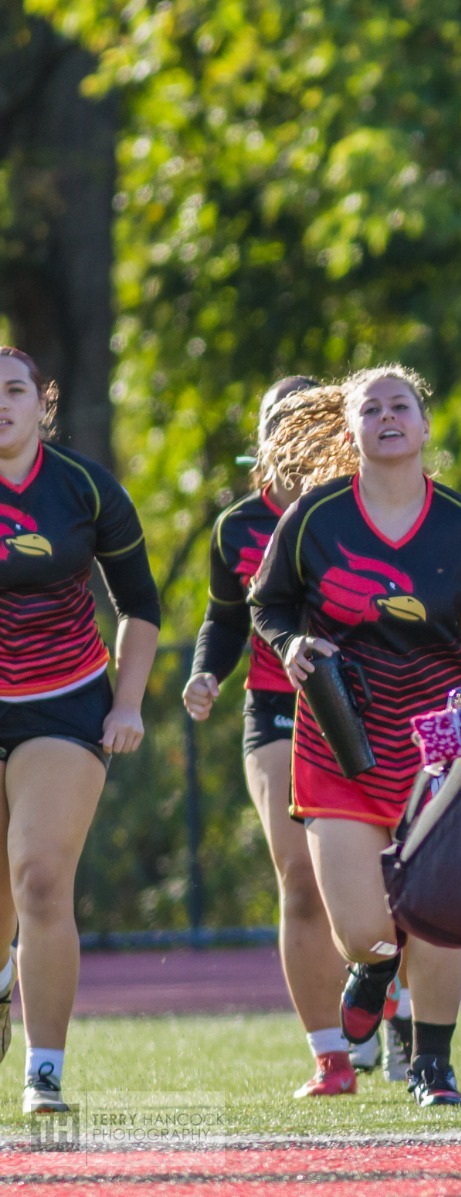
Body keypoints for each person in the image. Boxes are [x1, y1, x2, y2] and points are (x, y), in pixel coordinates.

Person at [251, 370, 461, 1112]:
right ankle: (375, 975)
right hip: (338, 740)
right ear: (350, 432)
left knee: (438, 911)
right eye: (370, 409)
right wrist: (289, 645)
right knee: (364, 932)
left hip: (435, 743)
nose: (387, 417)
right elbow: (269, 602)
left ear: (423, 424)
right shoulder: (316, 518)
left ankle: (433, 1067)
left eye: (400, 405)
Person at [184, 376, 388, 1098]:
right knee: (299, 876)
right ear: (263, 436)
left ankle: (384, 992)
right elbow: (224, 618)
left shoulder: (358, 509)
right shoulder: (237, 524)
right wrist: (206, 673)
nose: (294, 435)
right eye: (281, 422)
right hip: (275, 706)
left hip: (374, 706)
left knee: (388, 873)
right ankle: (331, 1055)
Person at [0, 347, 160, 1114]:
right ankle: (5, 973)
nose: (2, 404)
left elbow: (141, 607)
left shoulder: (86, 488)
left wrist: (125, 704)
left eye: (13, 390)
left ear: (42, 402)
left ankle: (45, 1069)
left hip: (64, 704)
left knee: (37, 874)